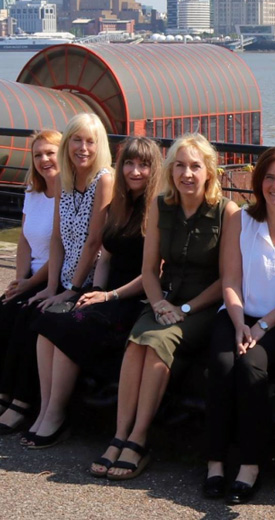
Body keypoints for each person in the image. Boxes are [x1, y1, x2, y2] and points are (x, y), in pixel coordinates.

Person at [93, 133, 238, 481]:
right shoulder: (161, 205)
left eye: (195, 166)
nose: (187, 174)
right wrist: (158, 303)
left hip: (203, 306)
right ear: (171, 170)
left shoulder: (227, 212)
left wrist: (184, 310)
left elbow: (227, 279)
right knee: (135, 344)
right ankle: (119, 434)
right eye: (180, 166)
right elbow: (148, 268)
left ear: (209, 171)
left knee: (156, 346)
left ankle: (139, 439)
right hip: (164, 299)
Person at [31, 138, 162, 459]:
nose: (134, 171)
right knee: (49, 321)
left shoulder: (158, 207)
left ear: (154, 168)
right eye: (128, 164)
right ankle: (46, 407)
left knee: (69, 329)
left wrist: (108, 296)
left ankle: (57, 415)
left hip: (134, 297)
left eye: (143, 165)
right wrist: (90, 293)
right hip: (108, 293)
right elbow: (105, 255)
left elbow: (154, 272)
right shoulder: (119, 203)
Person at [204, 148, 275, 504]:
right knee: (223, 366)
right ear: (259, 182)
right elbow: (230, 280)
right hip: (240, 312)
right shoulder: (241, 220)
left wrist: (263, 328)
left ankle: (251, 465)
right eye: (269, 177)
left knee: (252, 367)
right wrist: (241, 324)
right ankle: (215, 463)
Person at [20, 114, 115, 448]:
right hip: (66, 279)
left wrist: (72, 289)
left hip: (92, 280)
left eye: (90, 141)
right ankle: (45, 409)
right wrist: (51, 287)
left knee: (59, 325)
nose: (83, 148)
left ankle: (56, 415)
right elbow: (59, 237)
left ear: (99, 144)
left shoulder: (104, 180)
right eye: (77, 140)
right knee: (42, 320)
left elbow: (94, 241)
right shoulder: (65, 179)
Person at [0, 130, 61, 434]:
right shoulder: (33, 193)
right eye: (38, 155)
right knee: (5, 309)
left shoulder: (69, 195)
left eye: (51, 153)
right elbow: (24, 240)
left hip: (56, 276)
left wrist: (30, 284)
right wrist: (19, 279)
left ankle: (22, 402)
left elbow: (62, 248)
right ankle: (3, 393)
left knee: (27, 316)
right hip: (32, 275)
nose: (44, 160)